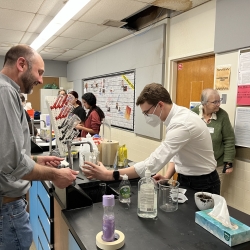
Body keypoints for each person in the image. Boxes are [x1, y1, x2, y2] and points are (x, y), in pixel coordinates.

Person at [0, 44, 78, 250]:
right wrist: (54, 175)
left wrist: (36, 160)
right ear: (21, 64)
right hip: (6, 209)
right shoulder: (5, 91)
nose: (41, 80)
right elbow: (13, 163)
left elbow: (5, 156)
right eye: (40, 72)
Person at [82, 83, 220, 194]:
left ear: (160, 105)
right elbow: (175, 152)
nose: (146, 116)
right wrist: (167, 176)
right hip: (185, 177)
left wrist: (110, 175)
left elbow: (154, 161)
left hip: (203, 182)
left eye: (147, 112)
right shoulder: (175, 118)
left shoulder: (182, 123)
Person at [191, 88, 235, 188]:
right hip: (196, 164)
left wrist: (229, 162)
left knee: (214, 195)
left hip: (216, 164)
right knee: (196, 193)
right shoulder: (193, 114)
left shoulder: (222, 115)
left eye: (219, 101)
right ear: (204, 103)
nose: (218, 104)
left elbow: (229, 139)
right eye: (215, 102)